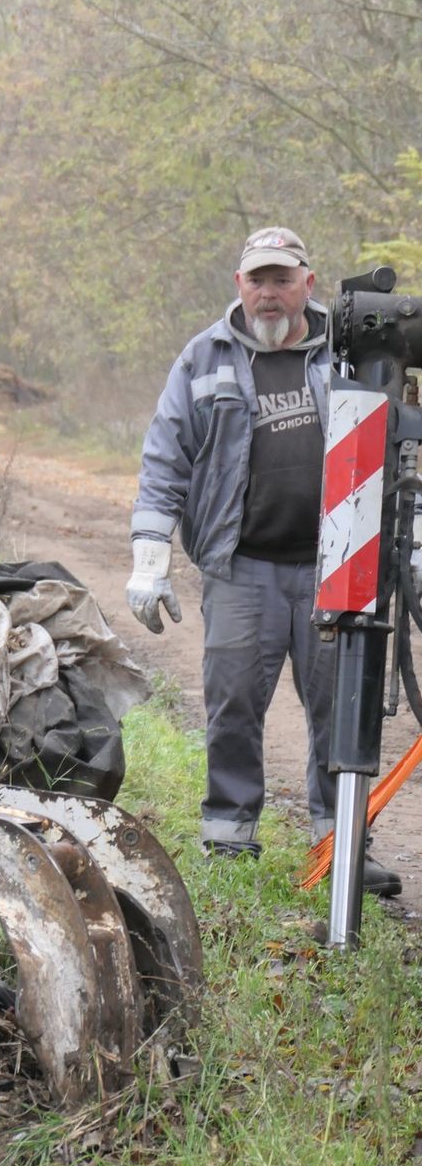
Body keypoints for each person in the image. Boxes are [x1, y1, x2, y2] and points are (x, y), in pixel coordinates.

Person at [125, 225, 401, 897]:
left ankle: (341, 847)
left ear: (309, 282)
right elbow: (166, 459)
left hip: (338, 568)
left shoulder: (350, 356)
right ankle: (228, 841)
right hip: (241, 567)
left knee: (342, 710)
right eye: (258, 279)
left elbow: (396, 453)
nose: (270, 293)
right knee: (234, 708)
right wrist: (148, 556)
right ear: (239, 286)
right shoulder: (204, 358)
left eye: (283, 278)